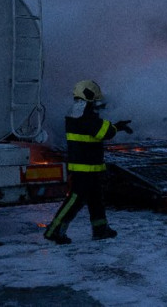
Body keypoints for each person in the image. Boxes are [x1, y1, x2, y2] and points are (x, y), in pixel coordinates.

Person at [44, 79, 133, 245]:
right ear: (89, 95)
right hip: (83, 167)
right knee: (76, 199)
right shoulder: (82, 114)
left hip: (90, 165)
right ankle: (54, 230)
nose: (97, 103)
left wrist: (116, 126)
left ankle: (100, 229)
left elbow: (97, 129)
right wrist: (117, 127)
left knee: (96, 198)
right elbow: (102, 131)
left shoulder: (79, 112)